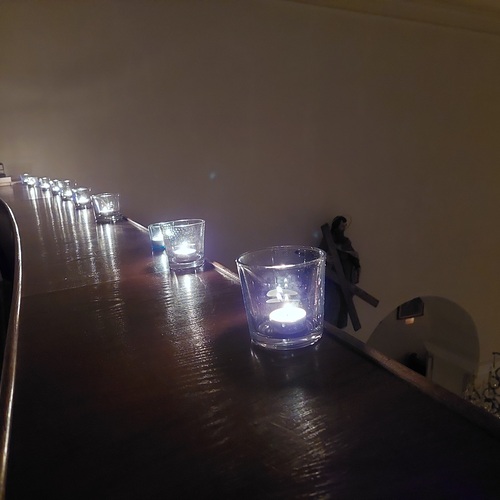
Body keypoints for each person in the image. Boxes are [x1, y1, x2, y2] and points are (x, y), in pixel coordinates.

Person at [320, 216, 361, 328]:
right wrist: (327, 258)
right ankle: (330, 326)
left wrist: (353, 256)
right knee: (333, 302)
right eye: (341, 225)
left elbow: (352, 254)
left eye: (345, 225)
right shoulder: (328, 239)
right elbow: (320, 253)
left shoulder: (346, 241)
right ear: (336, 225)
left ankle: (340, 326)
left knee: (345, 302)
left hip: (345, 276)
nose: (343, 228)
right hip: (332, 278)